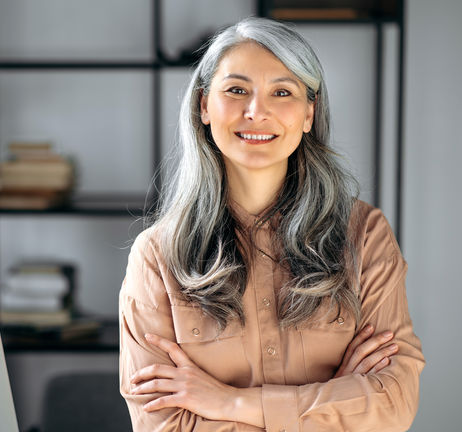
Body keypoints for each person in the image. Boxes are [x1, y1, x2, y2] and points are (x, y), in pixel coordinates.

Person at [118, 17, 424, 432]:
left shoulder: (364, 235)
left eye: (282, 92)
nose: (256, 111)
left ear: (308, 113)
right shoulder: (157, 256)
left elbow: (394, 405)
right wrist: (338, 397)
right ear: (204, 106)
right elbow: (165, 425)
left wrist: (229, 402)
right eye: (237, 90)